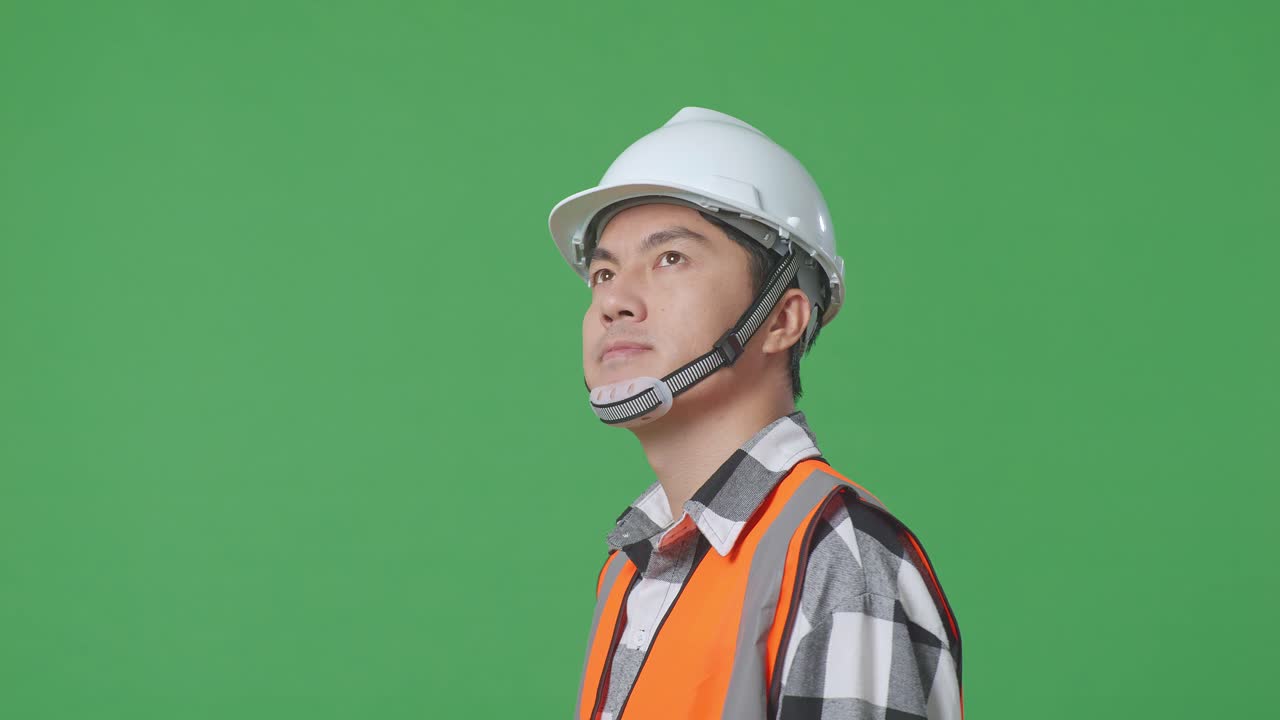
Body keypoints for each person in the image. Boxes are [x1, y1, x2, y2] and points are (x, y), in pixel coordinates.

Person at [548, 107, 962, 720]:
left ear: (782, 319)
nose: (614, 299)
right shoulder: (631, 565)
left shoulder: (836, 554)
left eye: (670, 260)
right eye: (603, 271)